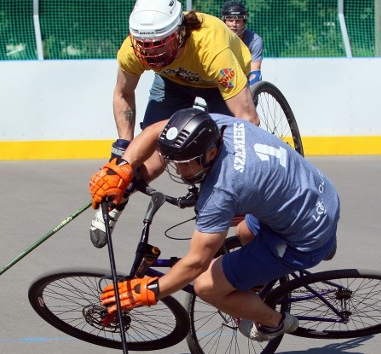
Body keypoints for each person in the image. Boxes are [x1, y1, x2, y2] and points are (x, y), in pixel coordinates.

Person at [88, 108, 340, 341]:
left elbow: (196, 262)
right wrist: (121, 168)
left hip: (304, 236)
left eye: (188, 162)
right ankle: (257, 282)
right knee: (243, 231)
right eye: (176, 161)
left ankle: (274, 323)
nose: (181, 169)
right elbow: (157, 129)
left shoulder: (222, 190)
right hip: (319, 192)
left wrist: (152, 290)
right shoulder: (216, 128)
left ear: (210, 153)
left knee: (206, 287)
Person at [90, 0, 260, 248]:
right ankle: (117, 200)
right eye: (145, 48)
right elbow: (123, 93)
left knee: (221, 151)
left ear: (180, 33)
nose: (153, 55)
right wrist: (123, 153)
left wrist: (236, 175)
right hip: (172, 82)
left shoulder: (211, 47)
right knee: (152, 156)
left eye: (160, 46)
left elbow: (248, 120)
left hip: (218, 82)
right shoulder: (134, 48)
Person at [220, 1, 263, 86]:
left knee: (256, 78)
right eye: (230, 20)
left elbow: (255, 72)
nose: (234, 24)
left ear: (244, 21)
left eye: (238, 20)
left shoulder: (255, 40)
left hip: (245, 80)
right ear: (224, 21)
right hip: (222, 78)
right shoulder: (217, 38)